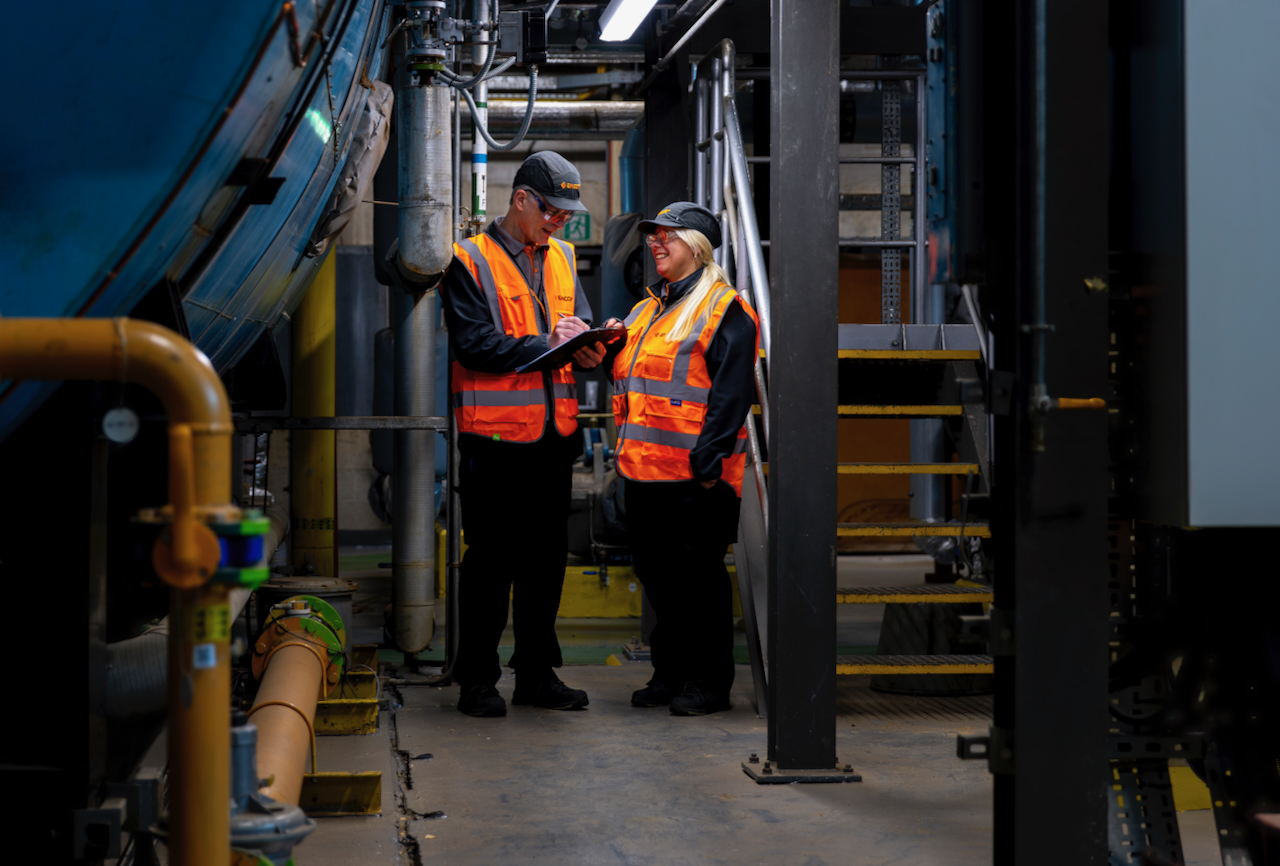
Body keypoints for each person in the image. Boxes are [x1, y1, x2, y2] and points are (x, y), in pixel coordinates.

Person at [440, 151, 607, 717]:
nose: (560, 222)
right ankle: (478, 681)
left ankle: (537, 674)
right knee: (490, 562)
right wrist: (548, 348)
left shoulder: (562, 256)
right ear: (520, 200)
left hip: (553, 440)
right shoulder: (468, 260)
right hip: (494, 442)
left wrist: (590, 347)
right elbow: (474, 345)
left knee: (545, 562)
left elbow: (576, 326)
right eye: (553, 211)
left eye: (566, 214)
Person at [602, 202, 759, 716]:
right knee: (660, 580)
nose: (655, 243)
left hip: (697, 477)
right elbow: (635, 381)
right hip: (643, 472)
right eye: (652, 236)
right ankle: (669, 674)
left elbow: (732, 393)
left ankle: (709, 684)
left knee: (700, 584)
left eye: (667, 236)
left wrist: (709, 463)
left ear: (696, 244)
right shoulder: (646, 309)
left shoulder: (724, 308)